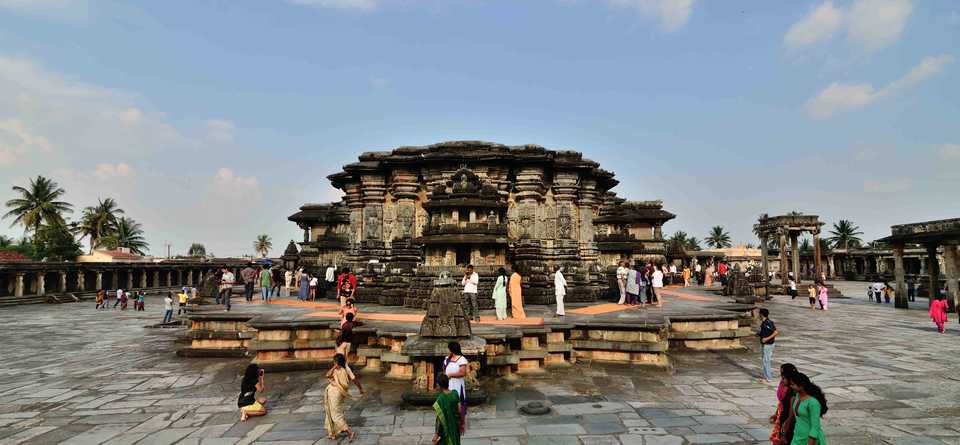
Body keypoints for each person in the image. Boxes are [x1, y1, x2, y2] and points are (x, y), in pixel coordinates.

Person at [323, 353, 364, 441]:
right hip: (332, 392)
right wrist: (360, 389)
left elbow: (354, 379)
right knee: (331, 411)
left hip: (337, 393)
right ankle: (332, 432)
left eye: (335, 362)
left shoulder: (345, 369)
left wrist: (360, 389)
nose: (334, 363)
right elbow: (328, 374)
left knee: (336, 415)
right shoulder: (336, 369)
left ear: (338, 362)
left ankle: (349, 432)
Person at [788, 372, 828, 445]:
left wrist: (810, 442)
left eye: (793, 384)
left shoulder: (813, 403)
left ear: (801, 386)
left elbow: (815, 426)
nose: (790, 386)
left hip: (809, 439)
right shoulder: (797, 396)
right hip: (797, 437)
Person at [769, 363, 798, 445]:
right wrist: (776, 413)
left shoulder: (794, 390)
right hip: (782, 413)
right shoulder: (783, 383)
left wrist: (788, 421)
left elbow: (792, 408)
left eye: (783, 374)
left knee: (787, 438)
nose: (781, 376)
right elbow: (782, 401)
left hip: (789, 417)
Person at [432, 373, 463, 445]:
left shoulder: (440, 399)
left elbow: (439, 419)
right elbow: (460, 410)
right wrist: (461, 424)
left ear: (439, 385)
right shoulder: (455, 393)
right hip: (455, 427)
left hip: (446, 430)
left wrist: (436, 434)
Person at [444, 342, 469, 429]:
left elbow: (462, 373)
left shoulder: (462, 359)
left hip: (458, 385)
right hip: (449, 384)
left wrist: (451, 375)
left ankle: (461, 423)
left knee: (459, 402)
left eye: (449, 349)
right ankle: (450, 421)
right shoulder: (447, 359)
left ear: (452, 349)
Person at [757, 308, 779, 383]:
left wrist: (766, 338)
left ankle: (768, 378)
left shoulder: (768, 322)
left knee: (766, 361)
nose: (758, 315)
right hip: (766, 344)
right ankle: (766, 376)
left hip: (768, 344)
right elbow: (766, 331)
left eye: (759, 313)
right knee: (765, 360)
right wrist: (759, 334)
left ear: (761, 314)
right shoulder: (764, 322)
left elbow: (776, 332)